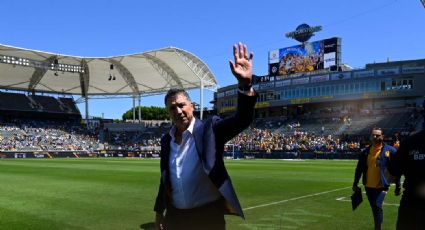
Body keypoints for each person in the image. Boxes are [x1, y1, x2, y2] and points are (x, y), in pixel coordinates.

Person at [153, 42, 257, 230]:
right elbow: (165, 179)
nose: (178, 111)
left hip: (208, 216)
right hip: (175, 218)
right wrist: (160, 211)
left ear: (192, 106)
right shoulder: (166, 140)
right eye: (172, 108)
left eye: (182, 105)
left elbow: (242, 119)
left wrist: (245, 84)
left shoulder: (211, 129)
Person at [352, 127, 401, 230]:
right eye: (373, 135)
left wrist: (398, 186)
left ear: (383, 136)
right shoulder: (365, 152)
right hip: (368, 186)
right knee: (375, 208)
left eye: (377, 135)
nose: (375, 137)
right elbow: (359, 169)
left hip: (382, 186)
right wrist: (355, 183)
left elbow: (397, 169)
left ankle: (377, 228)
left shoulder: (390, 150)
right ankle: (379, 225)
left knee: (377, 205)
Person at [388, 103, 425, 229]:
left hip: (412, 206)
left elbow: (391, 176)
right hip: (412, 208)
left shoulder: (410, 142)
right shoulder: (409, 142)